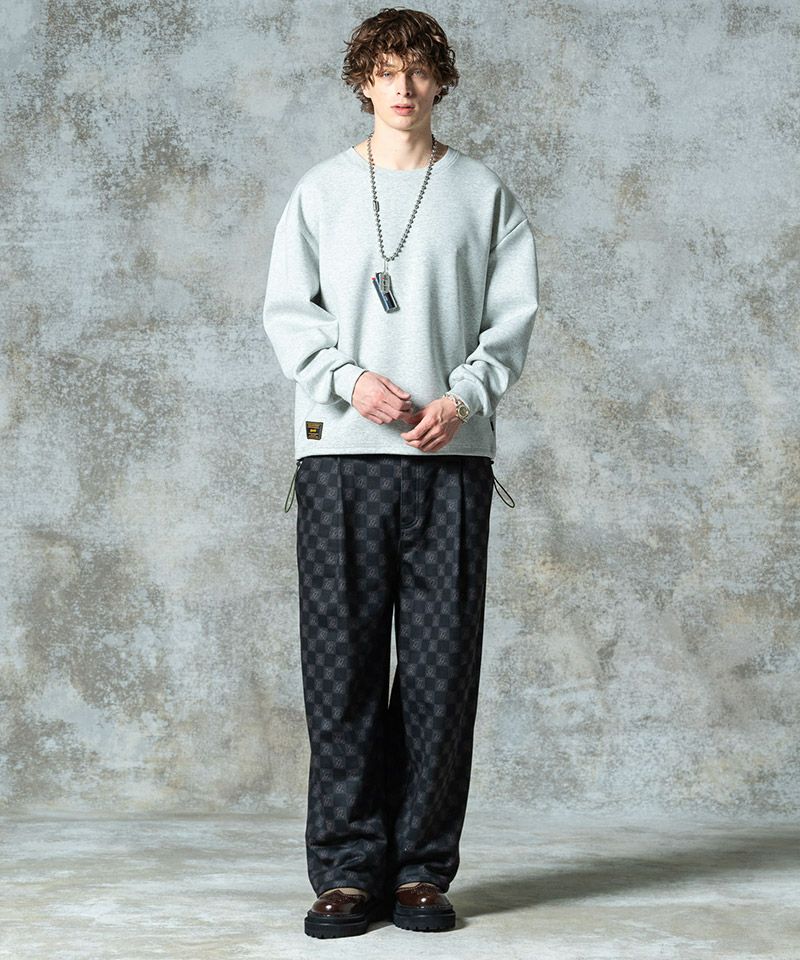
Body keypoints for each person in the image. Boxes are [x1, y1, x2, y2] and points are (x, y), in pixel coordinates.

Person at [262, 7, 539, 939]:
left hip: (446, 459)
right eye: (386, 71)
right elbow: (287, 311)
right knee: (340, 673)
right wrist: (348, 380)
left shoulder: (482, 193)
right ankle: (346, 873)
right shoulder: (321, 192)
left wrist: (464, 397)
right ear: (363, 83)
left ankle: (421, 870)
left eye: (418, 69)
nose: (404, 87)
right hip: (340, 459)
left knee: (438, 676)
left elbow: (512, 319)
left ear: (441, 80)